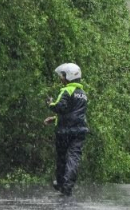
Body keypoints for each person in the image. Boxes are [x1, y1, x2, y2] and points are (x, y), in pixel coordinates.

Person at [44, 62, 88, 197]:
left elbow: (61, 108)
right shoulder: (83, 94)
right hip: (79, 130)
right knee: (74, 158)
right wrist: (54, 119)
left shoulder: (66, 90)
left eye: (62, 75)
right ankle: (68, 185)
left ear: (68, 76)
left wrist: (50, 103)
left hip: (65, 131)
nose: (61, 78)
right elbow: (73, 113)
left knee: (62, 158)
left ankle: (62, 183)